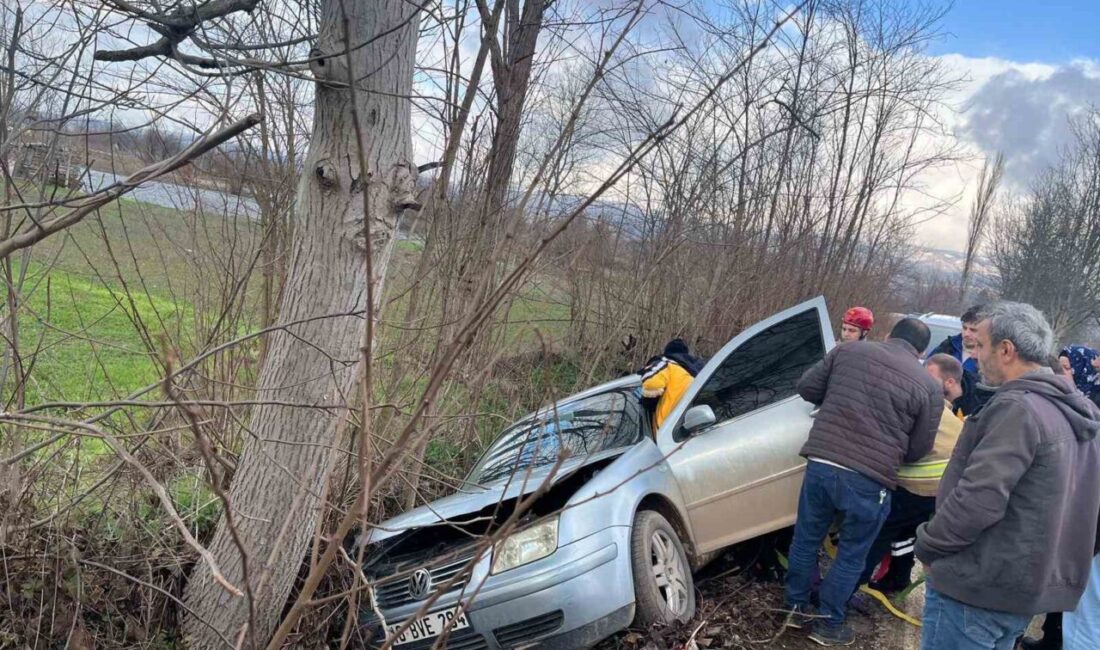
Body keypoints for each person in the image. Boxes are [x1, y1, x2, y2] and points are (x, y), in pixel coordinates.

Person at [915, 302, 1100, 650]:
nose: (976, 356)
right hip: (1020, 591)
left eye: (980, 346)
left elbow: (978, 500)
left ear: (1006, 350)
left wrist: (929, 544)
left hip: (978, 586)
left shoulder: (1018, 409)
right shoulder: (1076, 413)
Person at [784, 318, 942, 646]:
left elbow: (807, 388)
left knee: (805, 540)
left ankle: (794, 607)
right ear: (922, 352)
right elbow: (918, 449)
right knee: (851, 554)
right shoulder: (928, 386)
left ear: (886, 335)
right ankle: (828, 624)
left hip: (822, 463)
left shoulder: (848, 352)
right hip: (871, 479)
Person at [855, 354, 966, 597]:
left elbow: (906, 449)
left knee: (882, 528)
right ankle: (899, 577)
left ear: (948, 382)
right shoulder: (946, 408)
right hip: (937, 491)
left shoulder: (932, 407)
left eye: (929, 375)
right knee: (906, 532)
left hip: (918, 487)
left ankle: (852, 582)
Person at [930, 305, 995, 417]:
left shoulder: (992, 358)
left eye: (973, 330)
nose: (967, 334)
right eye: (964, 328)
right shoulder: (947, 346)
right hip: (936, 410)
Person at [639, 338, 704, 430]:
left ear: (667, 353)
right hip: (694, 425)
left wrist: (647, 403)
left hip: (668, 428)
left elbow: (652, 383)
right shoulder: (699, 372)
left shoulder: (667, 364)